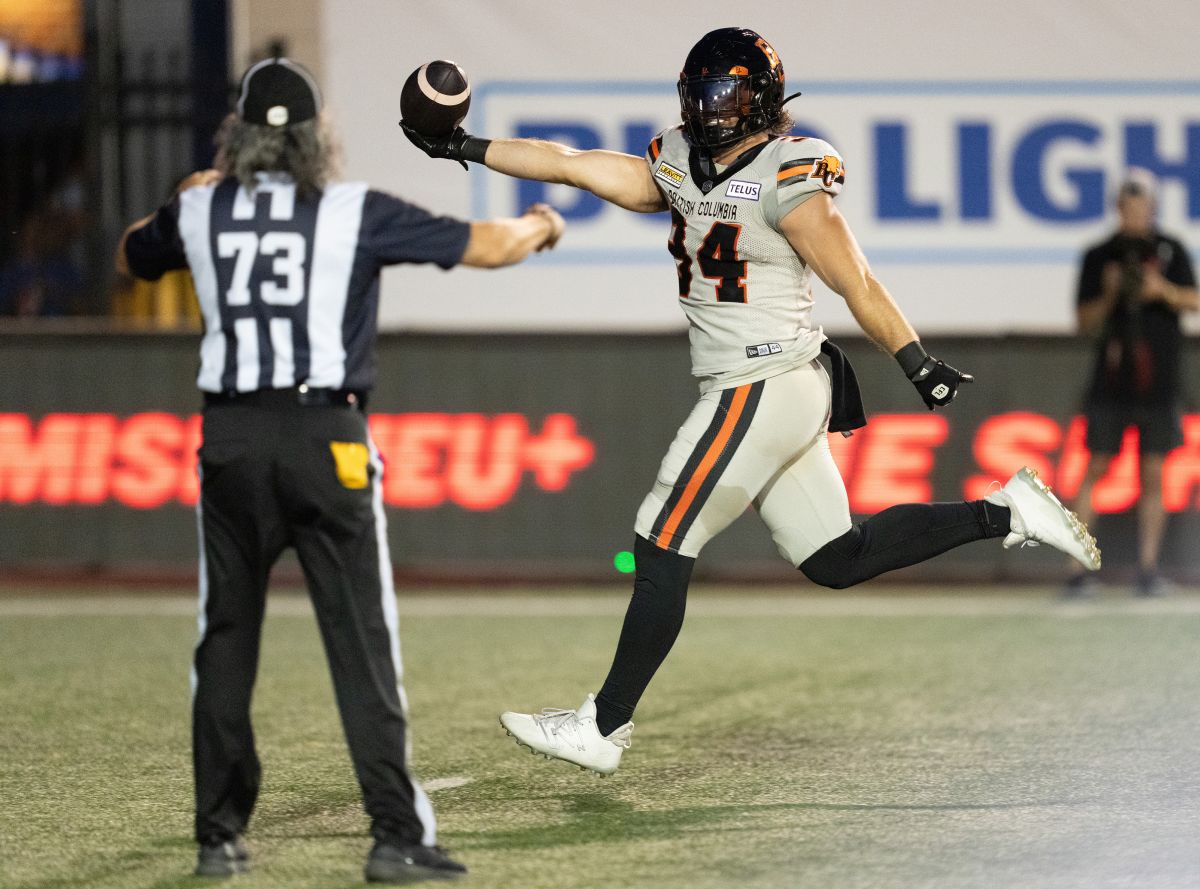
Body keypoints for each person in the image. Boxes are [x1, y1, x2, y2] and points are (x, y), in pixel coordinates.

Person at [404, 27, 1100, 776]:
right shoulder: (676, 161)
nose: (711, 110)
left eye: (727, 95)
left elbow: (854, 279)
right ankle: (1007, 511)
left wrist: (916, 361)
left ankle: (600, 726)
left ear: (762, 99)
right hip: (780, 385)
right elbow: (574, 165)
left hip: (760, 381)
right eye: (701, 94)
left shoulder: (786, 175)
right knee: (837, 556)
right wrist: (463, 146)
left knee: (662, 536)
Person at [117, 58, 564, 881]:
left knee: (226, 637)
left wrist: (196, 187)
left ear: (239, 137)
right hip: (327, 434)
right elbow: (490, 248)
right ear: (321, 138)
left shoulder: (201, 208)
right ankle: (395, 832)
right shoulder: (352, 210)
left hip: (232, 436)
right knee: (362, 642)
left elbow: (133, 254)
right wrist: (540, 225)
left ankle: (217, 833)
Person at [1065, 170, 1198, 598]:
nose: (1136, 214)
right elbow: (1084, 322)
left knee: (1155, 472)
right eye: (1128, 206)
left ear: (1153, 208)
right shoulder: (1100, 255)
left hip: (1159, 381)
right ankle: (1078, 569)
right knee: (1096, 467)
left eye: (1142, 206)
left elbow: (1194, 299)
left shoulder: (1170, 249)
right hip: (1112, 379)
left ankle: (1148, 568)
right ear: (1117, 208)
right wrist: (1110, 294)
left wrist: (1164, 292)